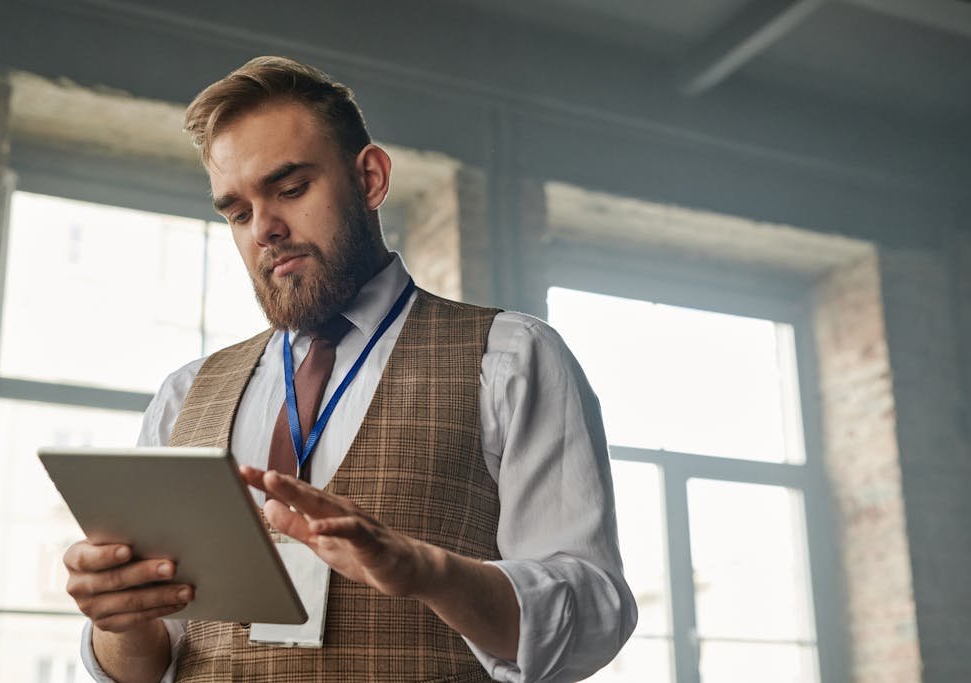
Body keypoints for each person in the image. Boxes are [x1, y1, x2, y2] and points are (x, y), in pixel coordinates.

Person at [62, 56, 636, 682]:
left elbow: (592, 614)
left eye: (289, 188)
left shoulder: (510, 358)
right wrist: (119, 620)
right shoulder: (182, 396)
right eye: (237, 212)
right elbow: (147, 665)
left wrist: (429, 573)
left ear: (369, 178)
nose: (265, 230)